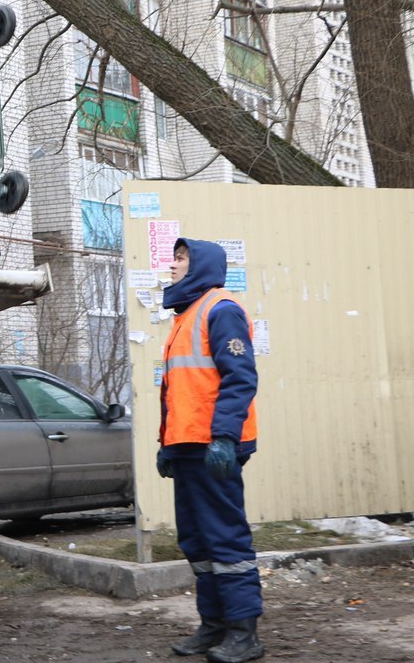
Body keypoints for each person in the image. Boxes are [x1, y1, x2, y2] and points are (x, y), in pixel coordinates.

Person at [157, 238, 263, 663]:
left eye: (181, 258)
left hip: (212, 446)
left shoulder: (221, 310)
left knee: (225, 539)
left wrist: (224, 438)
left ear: (200, 264)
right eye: (174, 257)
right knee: (196, 541)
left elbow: (240, 378)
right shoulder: (184, 318)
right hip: (186, 446)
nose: (173, 265)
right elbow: (177, 392)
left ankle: (244, 632)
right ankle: (215, 625)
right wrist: (165, 445)